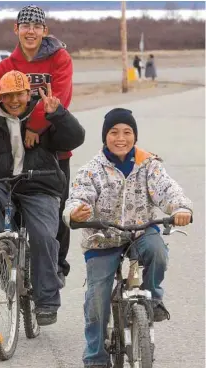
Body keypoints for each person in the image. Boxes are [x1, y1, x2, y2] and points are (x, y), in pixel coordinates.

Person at [0, 70, 85, 326]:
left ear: (28, 94)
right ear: (0, 96)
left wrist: (58, 114)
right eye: (8, 95)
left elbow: (75, 138)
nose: (14, 100)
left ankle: (46, 300)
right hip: (3, 184)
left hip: (40, 187)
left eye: (19, 94)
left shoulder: (43, 117)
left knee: (44, 236)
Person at [63, 108, 193, 367]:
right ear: (105, 137)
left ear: (135, 136)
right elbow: (77, 198)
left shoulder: (148, 164)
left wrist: (180, 208)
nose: (120, 138)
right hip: (102, 236)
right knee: (97, 300)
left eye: (127, 132)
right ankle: (96, 357)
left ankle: (153, 298)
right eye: (113, 132)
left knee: (158, 252)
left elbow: (168, 190)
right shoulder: (91, 170)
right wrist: (76, 213)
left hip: (140, 230)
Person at [0, 4, 73, 282]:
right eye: (25, 26)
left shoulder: (59, 58)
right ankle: (3, 251)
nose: (30, 31)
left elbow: (61, 98)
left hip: (52, 150)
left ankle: (55, 266)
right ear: (16, 29)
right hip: (13, 149)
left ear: (45, 30)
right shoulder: (6, 66)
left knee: (54, 213)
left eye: (36, 26)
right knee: (0, 199)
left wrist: (35, 126)